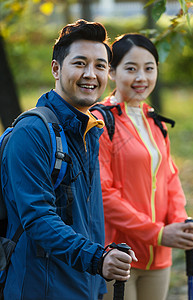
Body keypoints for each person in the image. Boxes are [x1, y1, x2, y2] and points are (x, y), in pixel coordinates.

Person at [0, 21, 137, 300]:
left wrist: (97, 284)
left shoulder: (89, 131)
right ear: (56, 69)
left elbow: (91, 222)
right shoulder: (32, 133)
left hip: (84, 286)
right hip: (40, 288)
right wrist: (98, 259)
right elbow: (38, 218)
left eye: (100, 66)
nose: (91, 74)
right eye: (80, 63)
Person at [91, 33, 193, 300]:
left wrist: (179, 222)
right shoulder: (100, 121)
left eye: (149, 69)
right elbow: (104, 195)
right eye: (131, 68)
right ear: (113, 72)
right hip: (117, 254)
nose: (142, 78)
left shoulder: (157, 122)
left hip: (158, 256)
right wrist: (159, 233)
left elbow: (170, 178)